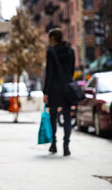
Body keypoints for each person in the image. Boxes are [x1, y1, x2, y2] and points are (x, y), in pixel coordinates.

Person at [43, 28, 75, 156]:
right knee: (67, 117)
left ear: (53, 38)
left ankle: (54, 144)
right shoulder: (70, 51)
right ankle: (66, 146)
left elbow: (49, 73)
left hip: (54, 89)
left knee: (53, 117)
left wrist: (46, 92)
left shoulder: (51, 51)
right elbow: (72, 70)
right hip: (67, 87)